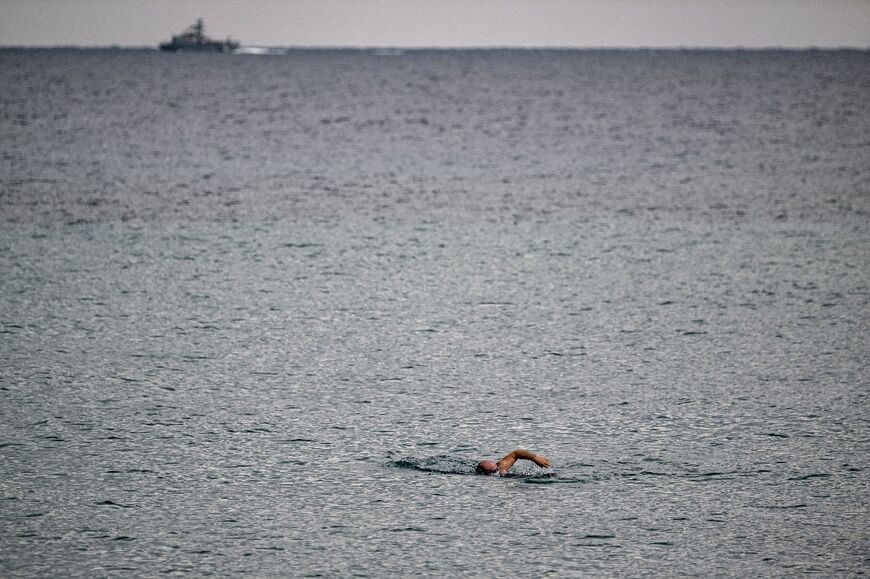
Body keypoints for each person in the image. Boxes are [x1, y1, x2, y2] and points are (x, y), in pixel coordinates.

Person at [476, 449, 551, 476]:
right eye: (495, 471)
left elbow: (516, 453)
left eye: (497, 468)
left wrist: (535, 458)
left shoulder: (501, 466)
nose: (500, 470)